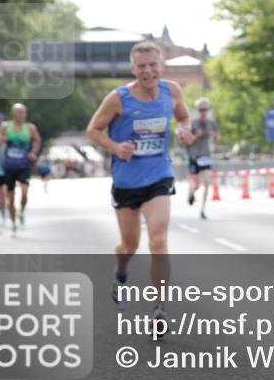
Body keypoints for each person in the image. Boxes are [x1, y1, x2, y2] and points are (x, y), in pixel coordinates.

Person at [86, 41, 194, 333]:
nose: (148, 71)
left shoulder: (172, 91)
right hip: (126, 182)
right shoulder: (118, 98)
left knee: (158, 240)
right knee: (129, 245)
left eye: (153, 65)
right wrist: (115, 146)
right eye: (142, 66)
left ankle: (159, 308)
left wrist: (184, 130)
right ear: (133, 69)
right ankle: (121, 272)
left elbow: (183, 116)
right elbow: (93, 130)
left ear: (161, 66)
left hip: (158, 175)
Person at [0, 104, 42, 235]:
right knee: (11, 197)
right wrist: (1, 140)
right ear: (13, 113)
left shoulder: (30, 128)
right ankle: (13, 223)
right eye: (19, 112)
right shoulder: (5, 126)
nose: (22, 114)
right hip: (9, 166)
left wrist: (33, 152)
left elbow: (37, 140)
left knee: (25, 193)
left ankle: (22, 212)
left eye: (23, 112)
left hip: (24, 165)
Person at [186, 97, 218, 219]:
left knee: (207, 182)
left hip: (205, 155)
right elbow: (187, 140)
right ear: (198, 110)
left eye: (205, 109)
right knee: (197, 184)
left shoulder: (212, 123)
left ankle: (203, 209)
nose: (203, 111)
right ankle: (191, 193)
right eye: (201, 109)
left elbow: (217, 137)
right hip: (194, 155)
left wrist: (214, 135)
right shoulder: (192, 123)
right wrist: (196, 136)